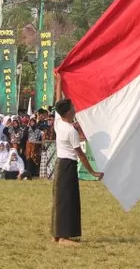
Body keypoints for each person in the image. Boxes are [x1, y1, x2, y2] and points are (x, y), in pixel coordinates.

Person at [52, 99, 104, 245]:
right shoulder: (70, 131)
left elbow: (57, 101)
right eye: (73, 108)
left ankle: (56, 234)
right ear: (69, 112)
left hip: (60, 164)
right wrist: (93, 172)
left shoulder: (58, 123)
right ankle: (63, 237)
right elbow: (81, 154)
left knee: (59, 200)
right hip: (68, 165)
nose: (75, 110)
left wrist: (59, 82)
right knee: (67, 201)